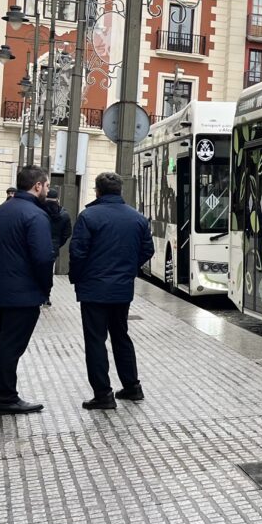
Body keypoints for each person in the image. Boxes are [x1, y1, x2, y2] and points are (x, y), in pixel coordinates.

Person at [0, 166, 56, 415]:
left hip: (1, 290)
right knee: (12, 346)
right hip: (24, 292)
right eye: (46, 184)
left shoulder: (1, 211)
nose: (47, 189)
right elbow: (43, 258)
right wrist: (46, 288)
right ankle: (6, 397)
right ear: (37, 186)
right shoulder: (35, 215)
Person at [69, 172, 154, 410]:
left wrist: (78, 278)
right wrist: (128, 269)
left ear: (97, 191)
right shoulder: (137, 218)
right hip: (122, 288)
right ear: (120, 191)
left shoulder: (88, 216)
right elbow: (148, 249)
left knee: (96, 340)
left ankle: (103, 394)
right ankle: (132, 386)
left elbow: (77, 253)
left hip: (93, 289)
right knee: (121, 336)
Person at [42, 188, 72, 307]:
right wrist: (58, 243)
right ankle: (46, 296)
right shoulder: (64, 214)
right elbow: (67, 233)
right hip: (53, 248)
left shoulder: (39, 211)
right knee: (48, 272)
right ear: (58, 199)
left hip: (36, 246)